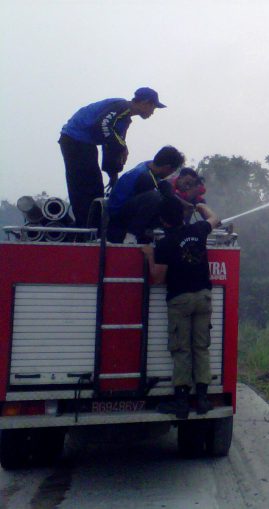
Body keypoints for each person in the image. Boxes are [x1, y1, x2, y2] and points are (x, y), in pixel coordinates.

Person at [141, 196, 221, 418]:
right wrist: (202, 206)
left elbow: (158, 278)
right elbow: (215, 219)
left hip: (180, 300)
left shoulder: (164, 244)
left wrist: (149, 256)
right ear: (182, 215)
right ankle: (202, 399)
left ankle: (181, 402)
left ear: (163, 221)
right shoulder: (198, 230)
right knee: (201, 347)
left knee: (182, 350)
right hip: (203, 297)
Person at [59, 87, 166, 227]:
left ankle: (91, 225)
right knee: (85, 185)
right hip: (75, 138)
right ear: (145, 103)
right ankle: (84, 226)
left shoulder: (124, 120)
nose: (153, 112)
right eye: (153, 107)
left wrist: (113, 174)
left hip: (85, 143)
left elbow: (110, 147)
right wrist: (122, 146)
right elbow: (102, 126)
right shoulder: (121, 107)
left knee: (95, 187)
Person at [107, 146, 185, 243]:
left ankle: (171, 233)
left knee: (166, 189)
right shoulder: (144, 176)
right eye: (172, 171)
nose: (171, 174)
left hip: (133, 209)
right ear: (167, 168)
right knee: (154, 197)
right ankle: (131, 236)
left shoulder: (149, 166)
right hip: (118, 218)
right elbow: (149, 201)